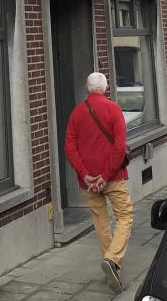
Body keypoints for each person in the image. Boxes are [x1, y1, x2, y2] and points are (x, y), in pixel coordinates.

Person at [64, 71, 133, 293]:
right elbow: (119, 148)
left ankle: (111, 264)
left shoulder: (76, 113)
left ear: (87, 88)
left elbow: (69, 147)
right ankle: (112, 260)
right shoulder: (114, 109)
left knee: (100, 221)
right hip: (112, 178)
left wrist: (85, 174)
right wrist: (105, 176)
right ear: (105, 88)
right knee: (125, 216)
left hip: (88, 182)